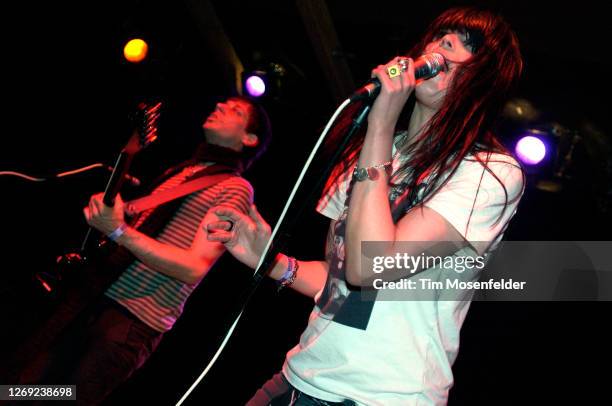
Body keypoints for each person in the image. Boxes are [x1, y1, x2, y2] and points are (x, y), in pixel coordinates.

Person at [206, 7, 524, 405]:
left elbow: (370, 267)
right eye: (441, 34)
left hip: (382, 394)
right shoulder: (372, 151)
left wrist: (380, 125)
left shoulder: (489, 174)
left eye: (464, 44)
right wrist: (269, 261)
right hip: (300, 374)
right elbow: (341, 281)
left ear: (484, 82)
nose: (441, 44)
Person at [8, 95, 272, 405]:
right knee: (21, 389)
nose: (220, 106)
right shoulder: (184, 170)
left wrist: (119, 230)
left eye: (235, 110)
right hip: (95, 298)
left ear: (249, 139)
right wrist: (112, 215)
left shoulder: (236, 187)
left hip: (130, 321)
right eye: (222, 103)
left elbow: (193, 267)